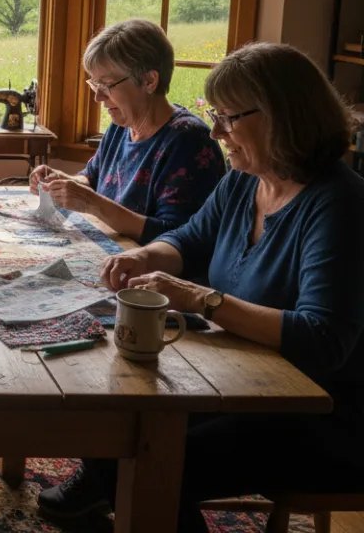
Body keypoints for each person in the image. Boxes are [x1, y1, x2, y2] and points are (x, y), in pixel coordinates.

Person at [37, 42, 364, 532]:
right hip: (244, 376)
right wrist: (143, 255)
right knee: (107, 414)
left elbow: (322, 338)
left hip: (316, 412)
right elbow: (189, 238)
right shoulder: (244, 180)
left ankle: (124, 499)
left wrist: (201, 299)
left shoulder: (339, 204)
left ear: (280, 116)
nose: (216, 132)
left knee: (145, 456)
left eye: (229, 118)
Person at [30, 19, 225, 244]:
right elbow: (92, 178)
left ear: (149, 81)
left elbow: (176, 237)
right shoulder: (121, 125)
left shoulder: (188, 141)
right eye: (95, 85)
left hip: (155, 271)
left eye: (107, 85)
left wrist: (91, 203)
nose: (98, 97)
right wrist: (64, 184)